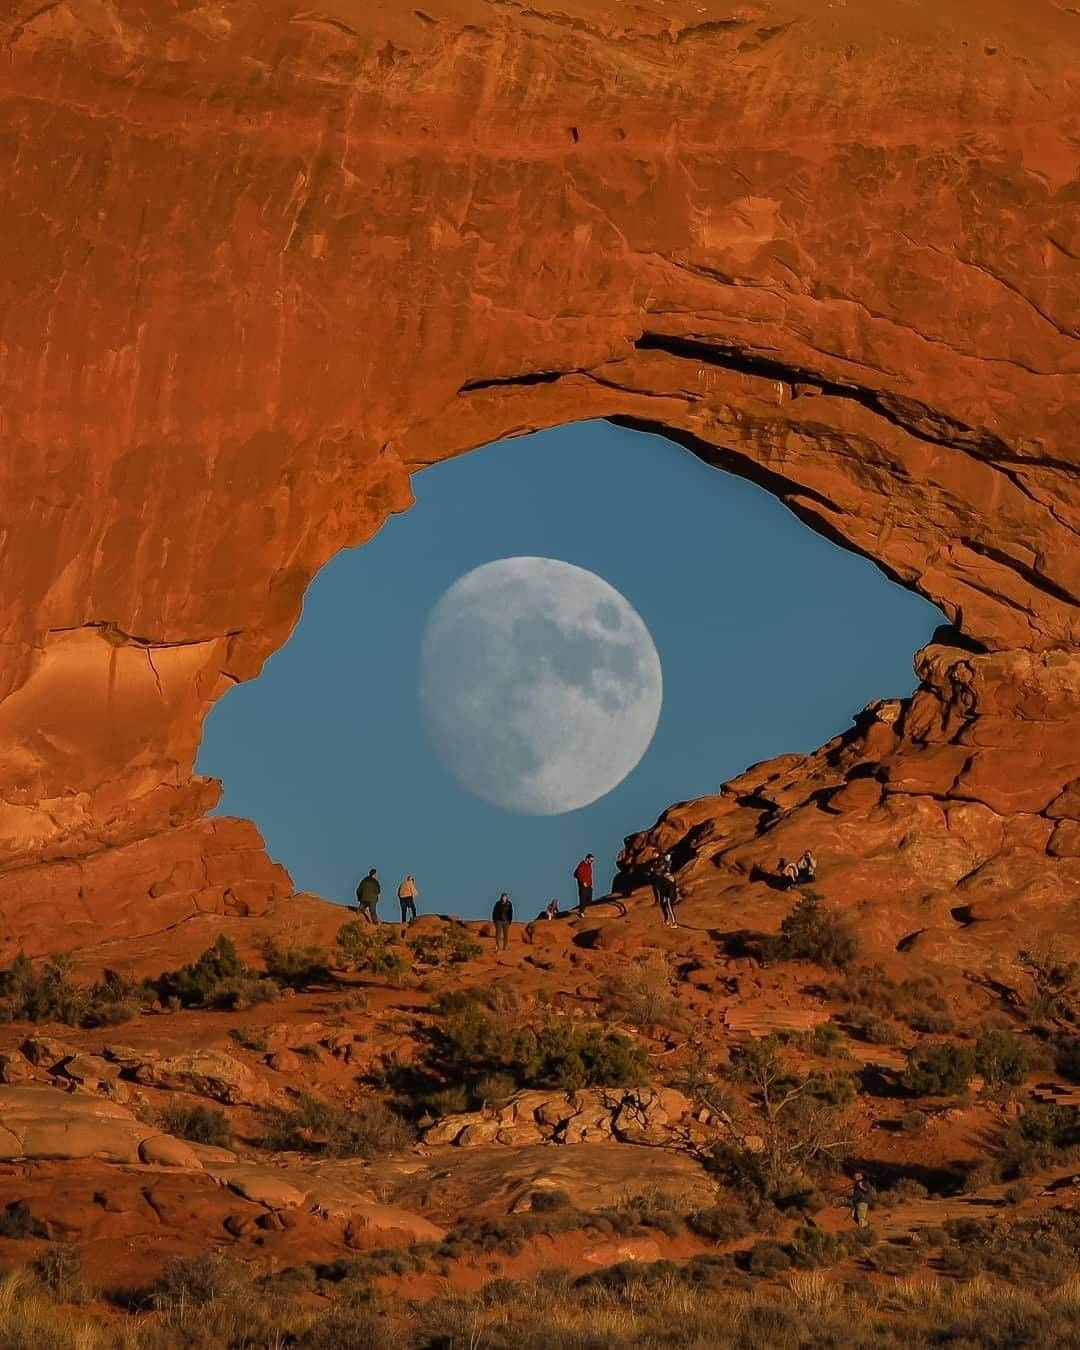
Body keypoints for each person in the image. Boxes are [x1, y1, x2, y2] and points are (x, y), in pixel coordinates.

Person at [651, 856, 678, 929]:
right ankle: (666, 920)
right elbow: (661, 889)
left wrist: (667, 896)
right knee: (663, 905)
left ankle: (674, 923)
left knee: (669, 906)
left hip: (670, 894)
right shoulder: (661, 879)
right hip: (667, 893)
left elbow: (671, 887)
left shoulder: (668, 877)